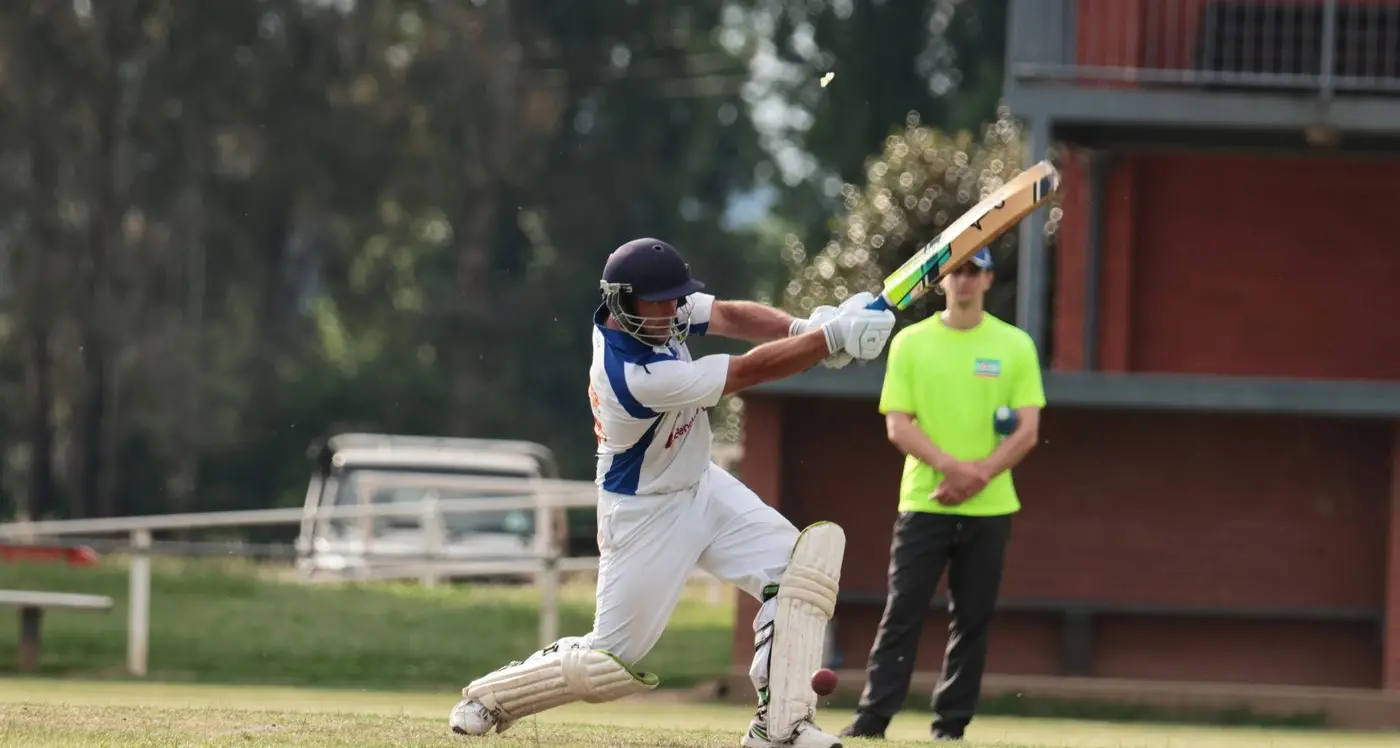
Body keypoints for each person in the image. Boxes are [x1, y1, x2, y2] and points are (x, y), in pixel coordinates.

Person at [450, 237, 897, 748]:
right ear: (621, 301)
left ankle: (780, 729)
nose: (670, 310)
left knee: (798, 574)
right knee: (609, 660)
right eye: (658, 301)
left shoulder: (665, 309)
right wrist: (829, 339)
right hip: (645, 512)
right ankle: (490, 697)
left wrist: (803, 328)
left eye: (675, 299)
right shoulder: (632, 375)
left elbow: (729, 315)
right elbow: (749, 370)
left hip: (702, 485)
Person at [839, 248, 1045, 742]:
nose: (965, 281)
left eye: (975, 271)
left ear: (989, 279)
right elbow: (897, 424)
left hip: (991, 505)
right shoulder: (911, 342)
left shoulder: (1014, 344)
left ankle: (950, 726)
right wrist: (954, 470)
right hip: (924, 501)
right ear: (941, 282)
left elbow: (1028, 429)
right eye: (956, 271)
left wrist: (980, 476)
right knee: (902, 613)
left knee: (972, 618)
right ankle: (873, 720)